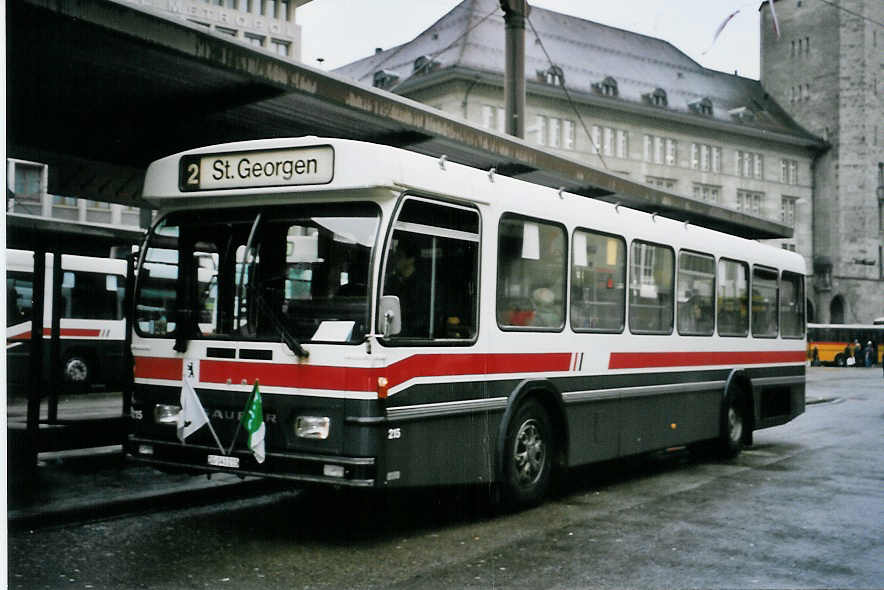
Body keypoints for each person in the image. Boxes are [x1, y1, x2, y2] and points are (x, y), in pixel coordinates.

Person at [384, 238, 429, 337]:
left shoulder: (422, 285)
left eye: (400, 256)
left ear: (411, 259)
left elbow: (421, 319)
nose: (395, 259)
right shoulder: (392, 281)